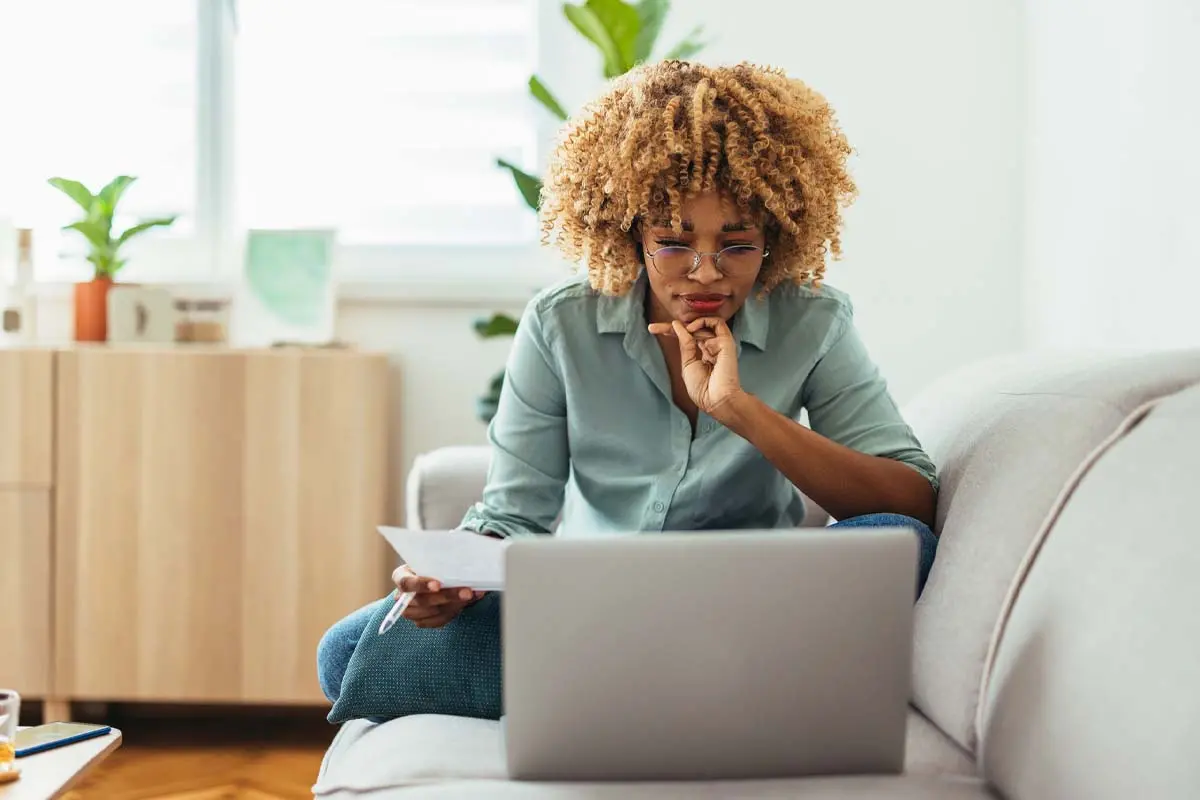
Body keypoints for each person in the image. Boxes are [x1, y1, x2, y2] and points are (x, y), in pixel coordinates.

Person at [318, 61, 938, 702]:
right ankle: (698, 688)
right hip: (590, 604)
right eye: (673, 243)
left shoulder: (813, 320)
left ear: (775, 238)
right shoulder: (563, 323)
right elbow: (512, 515)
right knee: (346, 655)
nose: (704, 274)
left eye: (736, 245)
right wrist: (453, 580)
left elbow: (909, 504)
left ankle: (624, 688)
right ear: (629, 234)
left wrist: (738, 408)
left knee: (902, 543)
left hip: (747, 605)